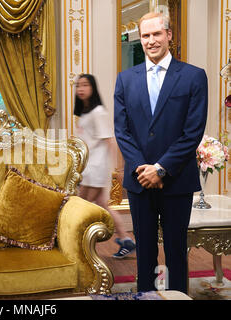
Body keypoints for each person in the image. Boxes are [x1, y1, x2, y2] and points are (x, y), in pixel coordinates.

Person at [114, 12, 208, 293]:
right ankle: (146, 296)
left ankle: (177, 296)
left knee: (176, 251)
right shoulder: (125, 79)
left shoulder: (193, 77)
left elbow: (192, 132)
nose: (151, 40)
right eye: (145, 35)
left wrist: (162, 168)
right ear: (139, 39)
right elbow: (122, 131)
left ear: (169, 35)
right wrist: (143, 168)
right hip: (140, 181)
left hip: (176, 180)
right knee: (144, 253)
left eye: (156, 34)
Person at [74, 73, 136, 259]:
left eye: (85, 85)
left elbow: (110, 140)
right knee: (104, 205)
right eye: (78, 86)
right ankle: (126, 240)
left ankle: (80, 245)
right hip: (88, 166)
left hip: (95, 168)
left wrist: (118, 169)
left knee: (80, 205)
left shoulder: (98, 111)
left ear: (93, 88)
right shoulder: (85, 112)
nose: (81, 89)